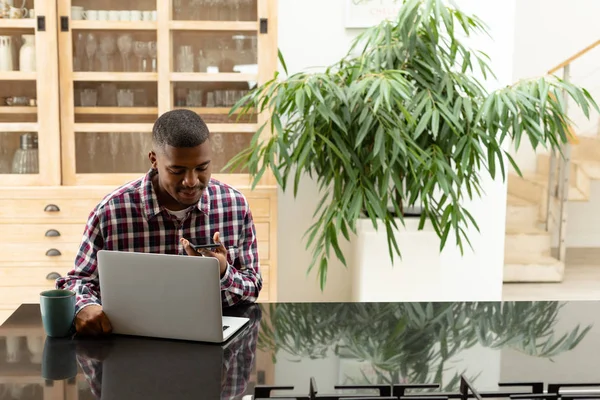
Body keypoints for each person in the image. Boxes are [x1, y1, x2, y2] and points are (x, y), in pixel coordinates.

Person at [56, 109, 262, 336]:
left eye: (202, 168)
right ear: (154, 160)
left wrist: (222, 271)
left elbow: (252, 287)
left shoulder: (234, 206)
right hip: (132, 343)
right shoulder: (111, 212)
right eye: (177, 170)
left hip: (214, 343)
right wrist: (85, 306)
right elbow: (76, 281)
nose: (192, 181)